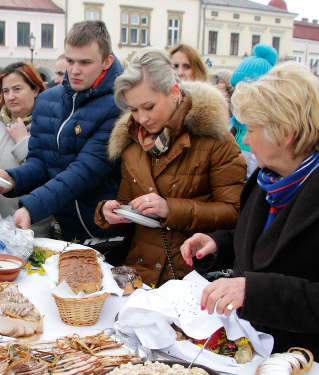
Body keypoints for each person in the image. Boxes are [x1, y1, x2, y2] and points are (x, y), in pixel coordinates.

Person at [180, 62, 319, 375]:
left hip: (312, 373)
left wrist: (256, 292)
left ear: (285, 132)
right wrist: (219, 244)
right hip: (255, 351)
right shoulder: (269, 179)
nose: (245, 140)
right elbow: (263, 242)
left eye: (251, 129)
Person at [94, 48, 244, 286]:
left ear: (174, 92)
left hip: (191, 277)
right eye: (133, 109)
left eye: (149, 106)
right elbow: (127, 202)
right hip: (140, 275)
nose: (142, 118)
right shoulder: (131, 142)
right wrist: (109, 212)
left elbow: (235, 212)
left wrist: (170, 209)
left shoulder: (214, 139)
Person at [0, 20, 126, 243]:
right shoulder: (48, 99)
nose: (75, 70)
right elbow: (41, 163)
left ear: (107, 62)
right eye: (70, 60)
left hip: (111, 232)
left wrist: (31, 207)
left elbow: (84, 172)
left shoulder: (118, 104)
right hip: (68, 231)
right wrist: (12, 179)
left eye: (85, 62)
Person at [0, 62, 51, 237]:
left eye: (17, 89)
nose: (10, 97)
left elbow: (47, 177)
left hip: (27, 232)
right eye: (6, 91)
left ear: (35, 90)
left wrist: (23, 142)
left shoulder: (48, 127)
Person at [229, 44, 278, 177]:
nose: (238, 96)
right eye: (236, 89)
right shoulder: (232, 124)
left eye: (245, 90)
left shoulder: (271, 132)